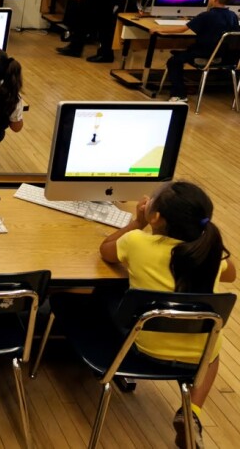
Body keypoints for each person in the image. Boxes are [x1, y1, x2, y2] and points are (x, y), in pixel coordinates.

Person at [99, 181, 235, 447]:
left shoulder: (136, 242)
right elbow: (231, 274)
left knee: (104, 296)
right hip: (198, 355)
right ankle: (192, 411)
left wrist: (137, 223)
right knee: (214, 353)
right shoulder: (210, 253)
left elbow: (105, 250)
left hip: (143, 347)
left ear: (156, 217)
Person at [157, 0, 240, 102]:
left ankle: (179, 94)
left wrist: (159, 29)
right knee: (183, 53)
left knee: (174, 61)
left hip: (203, 54)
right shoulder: (233, 16)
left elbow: (182, 29)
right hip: (224, 57)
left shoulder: (206, 16)